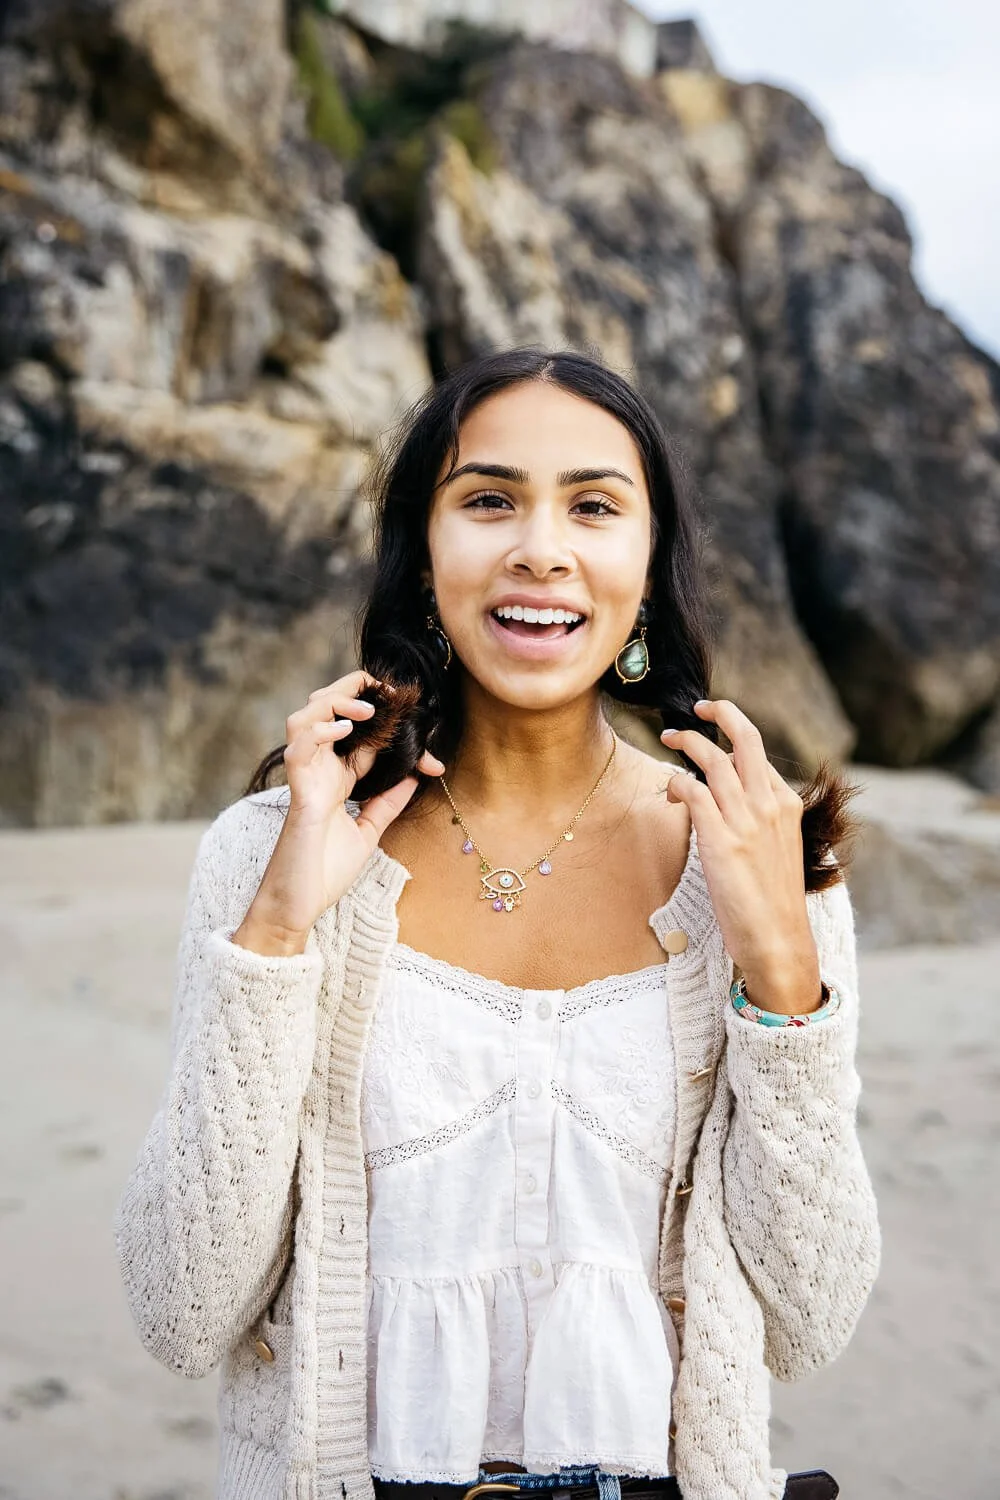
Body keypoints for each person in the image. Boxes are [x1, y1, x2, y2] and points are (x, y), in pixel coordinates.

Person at [115, 348, 880, 1500]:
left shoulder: (758, 864)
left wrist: (780, 967)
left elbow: (811, 1317)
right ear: (424, 559)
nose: (540, 547)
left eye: (593, 506)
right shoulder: (267, 853)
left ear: (645, 565)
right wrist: (278, 926)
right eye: (487, 500)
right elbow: (182, 1309)